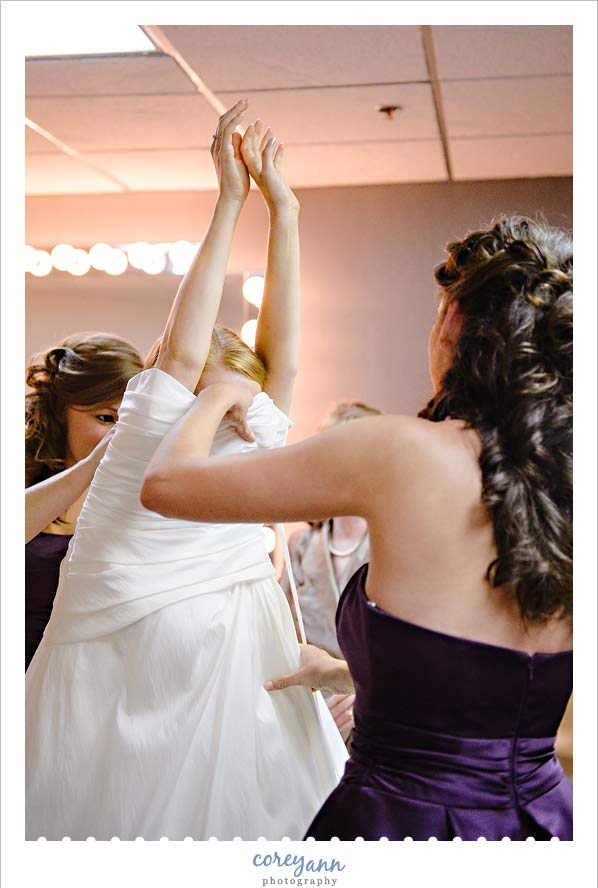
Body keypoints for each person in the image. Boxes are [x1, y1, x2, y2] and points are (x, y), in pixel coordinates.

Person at [142, 215, 573, 841]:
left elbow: (165, 486)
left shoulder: (400, 450)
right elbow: (495, 688)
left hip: (407, 819)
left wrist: (220, 392)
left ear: (454, 322)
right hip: (547, 821)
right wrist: (349, 672)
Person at [26, 101, 347, 841]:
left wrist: (245, 200)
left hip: (198, 652)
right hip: (194, 649)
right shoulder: (241, 423)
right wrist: (278, 209)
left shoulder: (169, 426)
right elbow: (273, 356)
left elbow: (225, 354)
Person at [25, 334, 143, 668]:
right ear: (62, 412)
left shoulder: (142, 498)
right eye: (106, 419)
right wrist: (89, 468)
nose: (120, 437)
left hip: (91, 687)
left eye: (131, 423)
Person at [280, 401, 382, 742]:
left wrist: (360, 700)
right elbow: (282, 634)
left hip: (377, 716)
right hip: (308, 714)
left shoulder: (396, 548)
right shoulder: (300, 546)